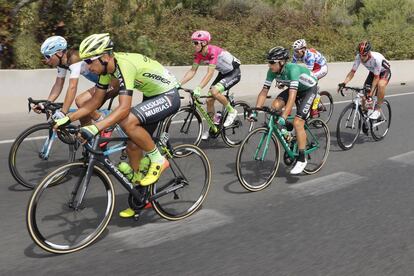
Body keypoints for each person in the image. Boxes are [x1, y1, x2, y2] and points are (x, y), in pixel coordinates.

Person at [53, 33, 181, 218]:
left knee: (127, 120)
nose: (87, 66)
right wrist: (69, 117)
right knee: (132, 146)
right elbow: (94, 103)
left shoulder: (123, 66)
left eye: (90, 61)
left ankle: (158, 160)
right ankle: (141, 197)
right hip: (152, 96)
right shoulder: (106, 71)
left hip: (168, 95)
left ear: (105, 57)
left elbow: (123, 109)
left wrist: (96, 127)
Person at [250, 46, 318, 174]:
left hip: (308, 90)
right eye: (268, 62)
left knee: (298, 122)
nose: (269, 65)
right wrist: (255, 111)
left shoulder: (292, 70)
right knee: (274, 107)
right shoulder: (272, 71)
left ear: (281, 62)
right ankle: (289, 133)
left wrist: (284, 116)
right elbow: (264, 91)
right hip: (295, 89)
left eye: (272, 62)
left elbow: (292, 96)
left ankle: (302, 159)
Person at [38, 35, 119, 124]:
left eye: (48, 56)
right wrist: (47, 103)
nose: (47, 60)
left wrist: (63, 112)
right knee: (82, 117)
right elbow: (58, 84)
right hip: (102, 83)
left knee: (81, 101)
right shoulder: (62, 63)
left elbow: (72, 87)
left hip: (113, 82)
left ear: (59, 53)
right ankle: (87, 136)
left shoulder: (74, 59)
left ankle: (104, 124)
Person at [179, 30, 241, 140]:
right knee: (209, 100)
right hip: (223, 74)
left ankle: (232, 111)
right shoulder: (199, 54)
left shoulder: (213, 51)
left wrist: (199, 88)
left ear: (204, 43)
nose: (194, 45)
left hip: (234, 73)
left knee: (214, 91)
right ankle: (212, 127)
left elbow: (210, 73)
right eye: (193, 42)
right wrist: (179, 83)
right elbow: (192, 71)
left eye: (196, 43)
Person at [338, 40, 391, 120]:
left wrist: (371, 93)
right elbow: (352, 72)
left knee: (380, 85)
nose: (362, 57)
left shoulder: (376, 59)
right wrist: (344, 83)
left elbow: (376, 78)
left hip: (384, 72)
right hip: (373, 72)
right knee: (364, 97)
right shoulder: (358, 57)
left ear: (369, 52)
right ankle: (366, 118)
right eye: (361, 55)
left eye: (364, 55)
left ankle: (378, 109)